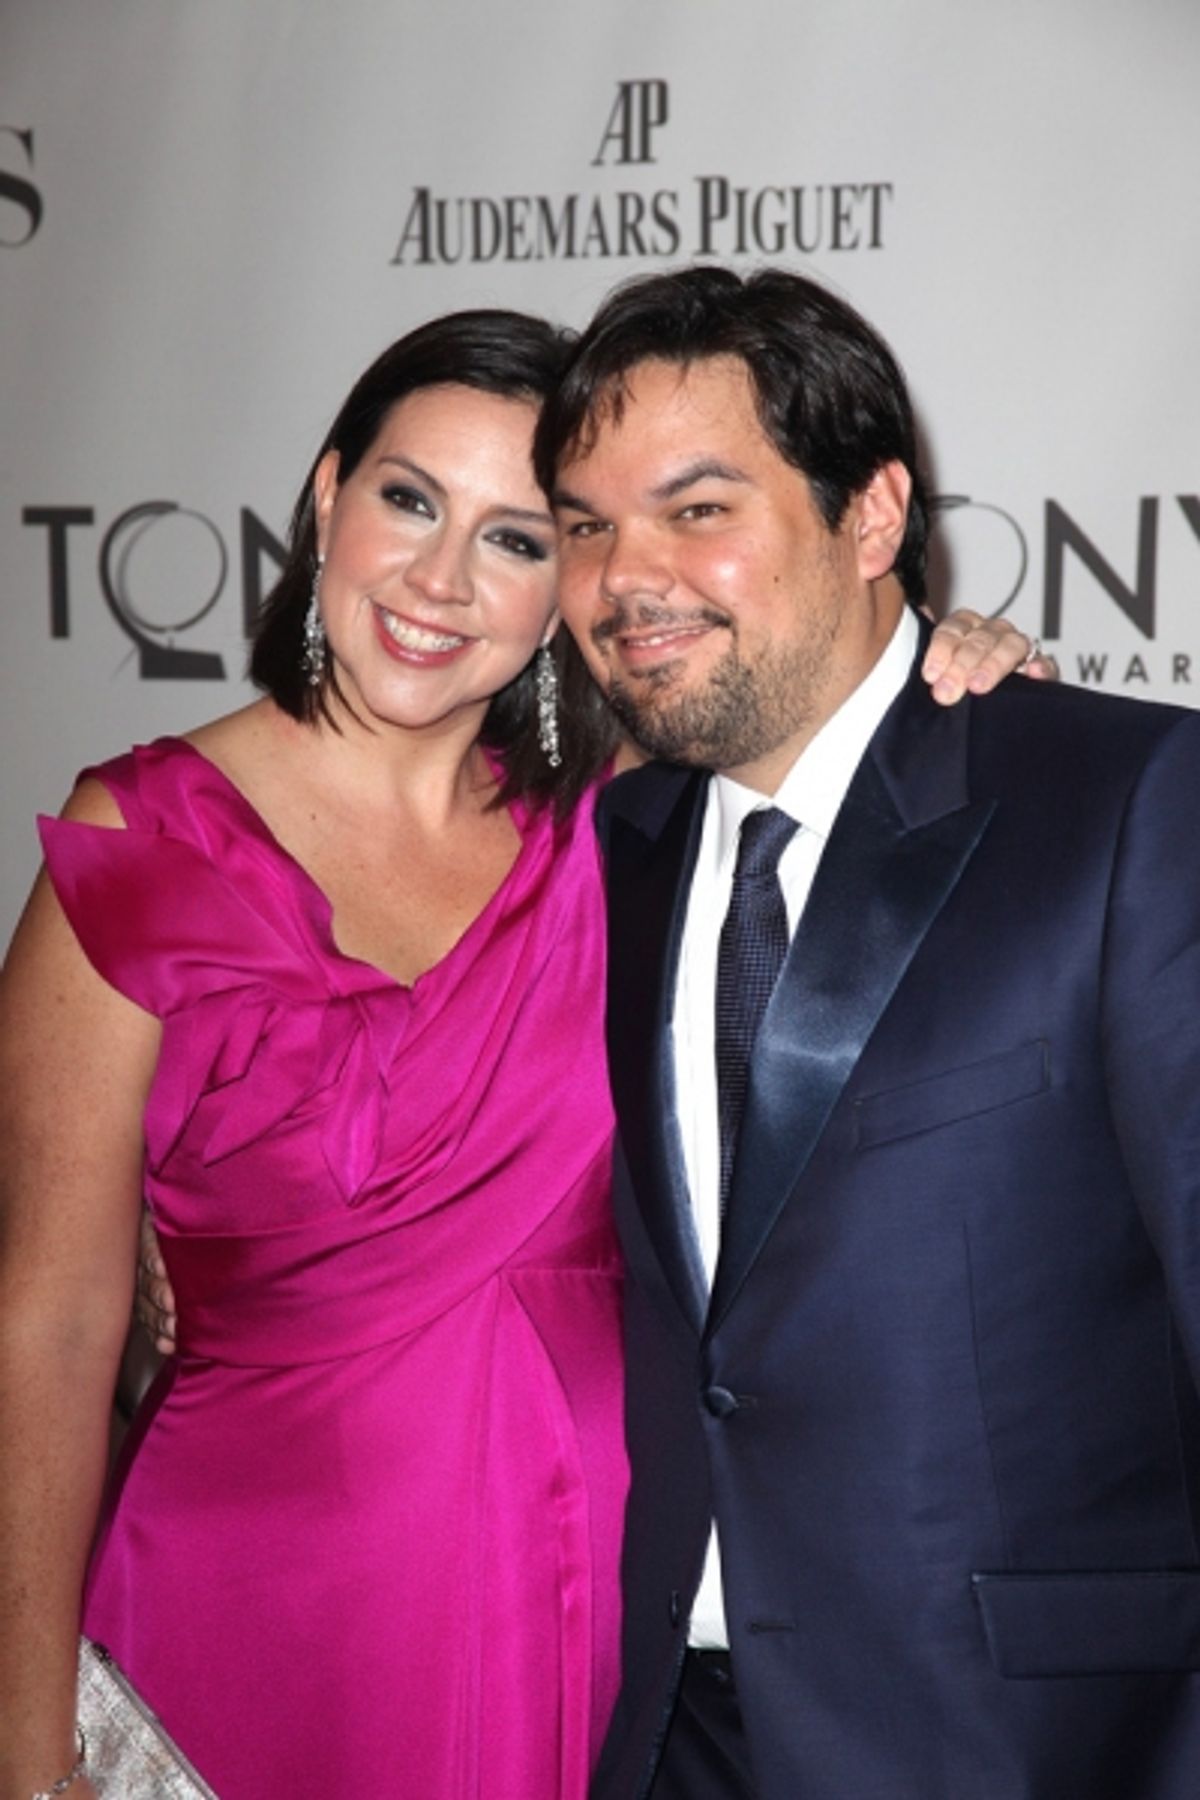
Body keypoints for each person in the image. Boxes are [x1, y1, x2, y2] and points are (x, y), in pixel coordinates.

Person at [0, 304, 1036, 1800]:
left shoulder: (637, 824)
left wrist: (971, 658)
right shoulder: (135, 839)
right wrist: (28, 1746)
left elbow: (856, 745)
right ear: (325, 493)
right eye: (408, 501)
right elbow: (46, 1325)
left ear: (573, 583)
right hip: (252, 1598)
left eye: (517, 538)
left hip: (595, 1592)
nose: (440, 580)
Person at [532, 264, 1200, 1800]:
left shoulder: (1119, 805)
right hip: (666, 1740)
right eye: (584, 525)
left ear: (874, 516)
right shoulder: (600, 860)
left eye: (699, 510)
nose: (626, 579)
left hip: (1029, 1745)